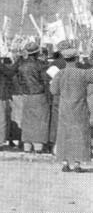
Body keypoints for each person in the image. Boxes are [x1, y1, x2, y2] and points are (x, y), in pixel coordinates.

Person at [49, 43, 93, 172]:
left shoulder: (60, 74)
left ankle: (65, 162)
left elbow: (53, 91)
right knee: (79, 134)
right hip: (80, 108)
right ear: (77, 58)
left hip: (64, 108)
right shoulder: (83, 73)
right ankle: (78, 163)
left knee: (64, 134)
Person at [18, 43, 50, 153]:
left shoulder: (21, 66)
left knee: (27, 121)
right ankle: (38, 146)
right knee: (40, 121)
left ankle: (27, 145)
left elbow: (20, 81)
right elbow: (46, 80)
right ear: (37, 52)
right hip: (39, 94)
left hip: (26, 95)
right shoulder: (41, 65)